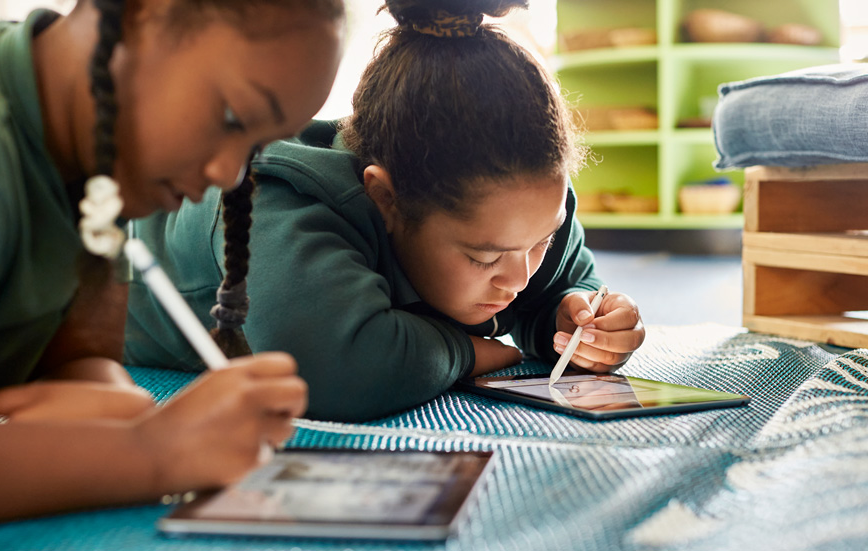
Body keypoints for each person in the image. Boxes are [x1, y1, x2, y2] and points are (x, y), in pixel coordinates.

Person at [126, 0, 646, 422]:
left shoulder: (517, 207)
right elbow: (336, 371)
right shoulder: (277, 199)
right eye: (484, 259)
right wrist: (470, 351)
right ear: (385, 198)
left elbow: (557, 287)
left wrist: (577, 324)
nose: (518, 276)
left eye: (543, 240)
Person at [0, 0, 343, 525]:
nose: (228, 173)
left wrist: (108, 403)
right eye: (231, 116)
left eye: (254, 145)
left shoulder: (98, 167)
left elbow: (77, 360)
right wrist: (150, 453)